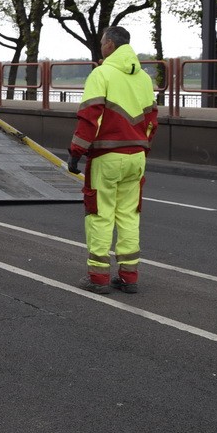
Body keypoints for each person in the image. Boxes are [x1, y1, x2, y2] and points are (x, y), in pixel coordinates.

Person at [68, 26, 158, 295]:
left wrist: (76, 151)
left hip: (107, 157)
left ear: (109, 45)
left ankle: (98, 278)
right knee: (129, 215)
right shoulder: (143, 77)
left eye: (102, 42)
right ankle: (129, 277)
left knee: (100, 214)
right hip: (137, 156)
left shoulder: (101, 73)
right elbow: (152, 121)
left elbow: (90, 117)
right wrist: (142, 149)